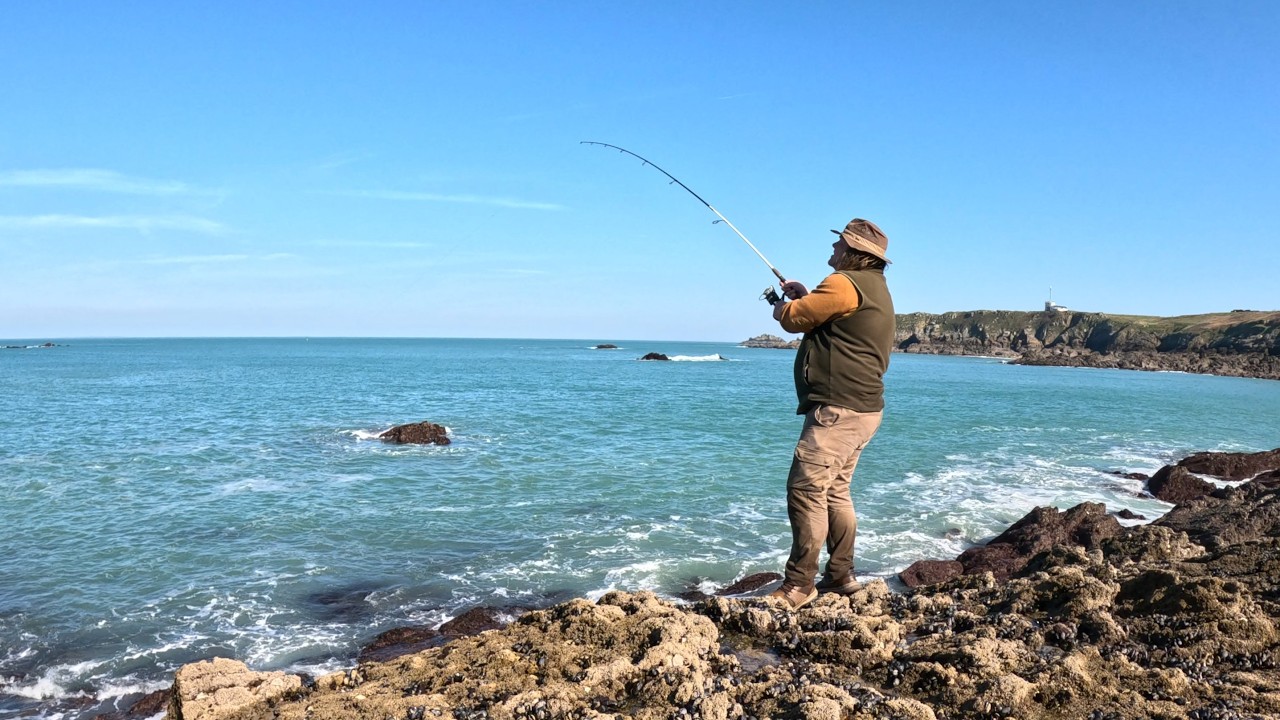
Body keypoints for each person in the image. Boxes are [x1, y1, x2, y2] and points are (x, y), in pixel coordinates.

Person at [764, 217, 895, 610]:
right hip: (865, 409)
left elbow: (794, 319)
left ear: (853, 250)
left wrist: (784, 307)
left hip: (838, 411)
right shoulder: (874, 287)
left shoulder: (842, 283)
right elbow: (830, 318)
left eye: (840, 242)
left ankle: (799, 585)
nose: (834, 247)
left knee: (805, 489)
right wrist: (806, 296)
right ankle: (840, 576)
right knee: (835, 491)